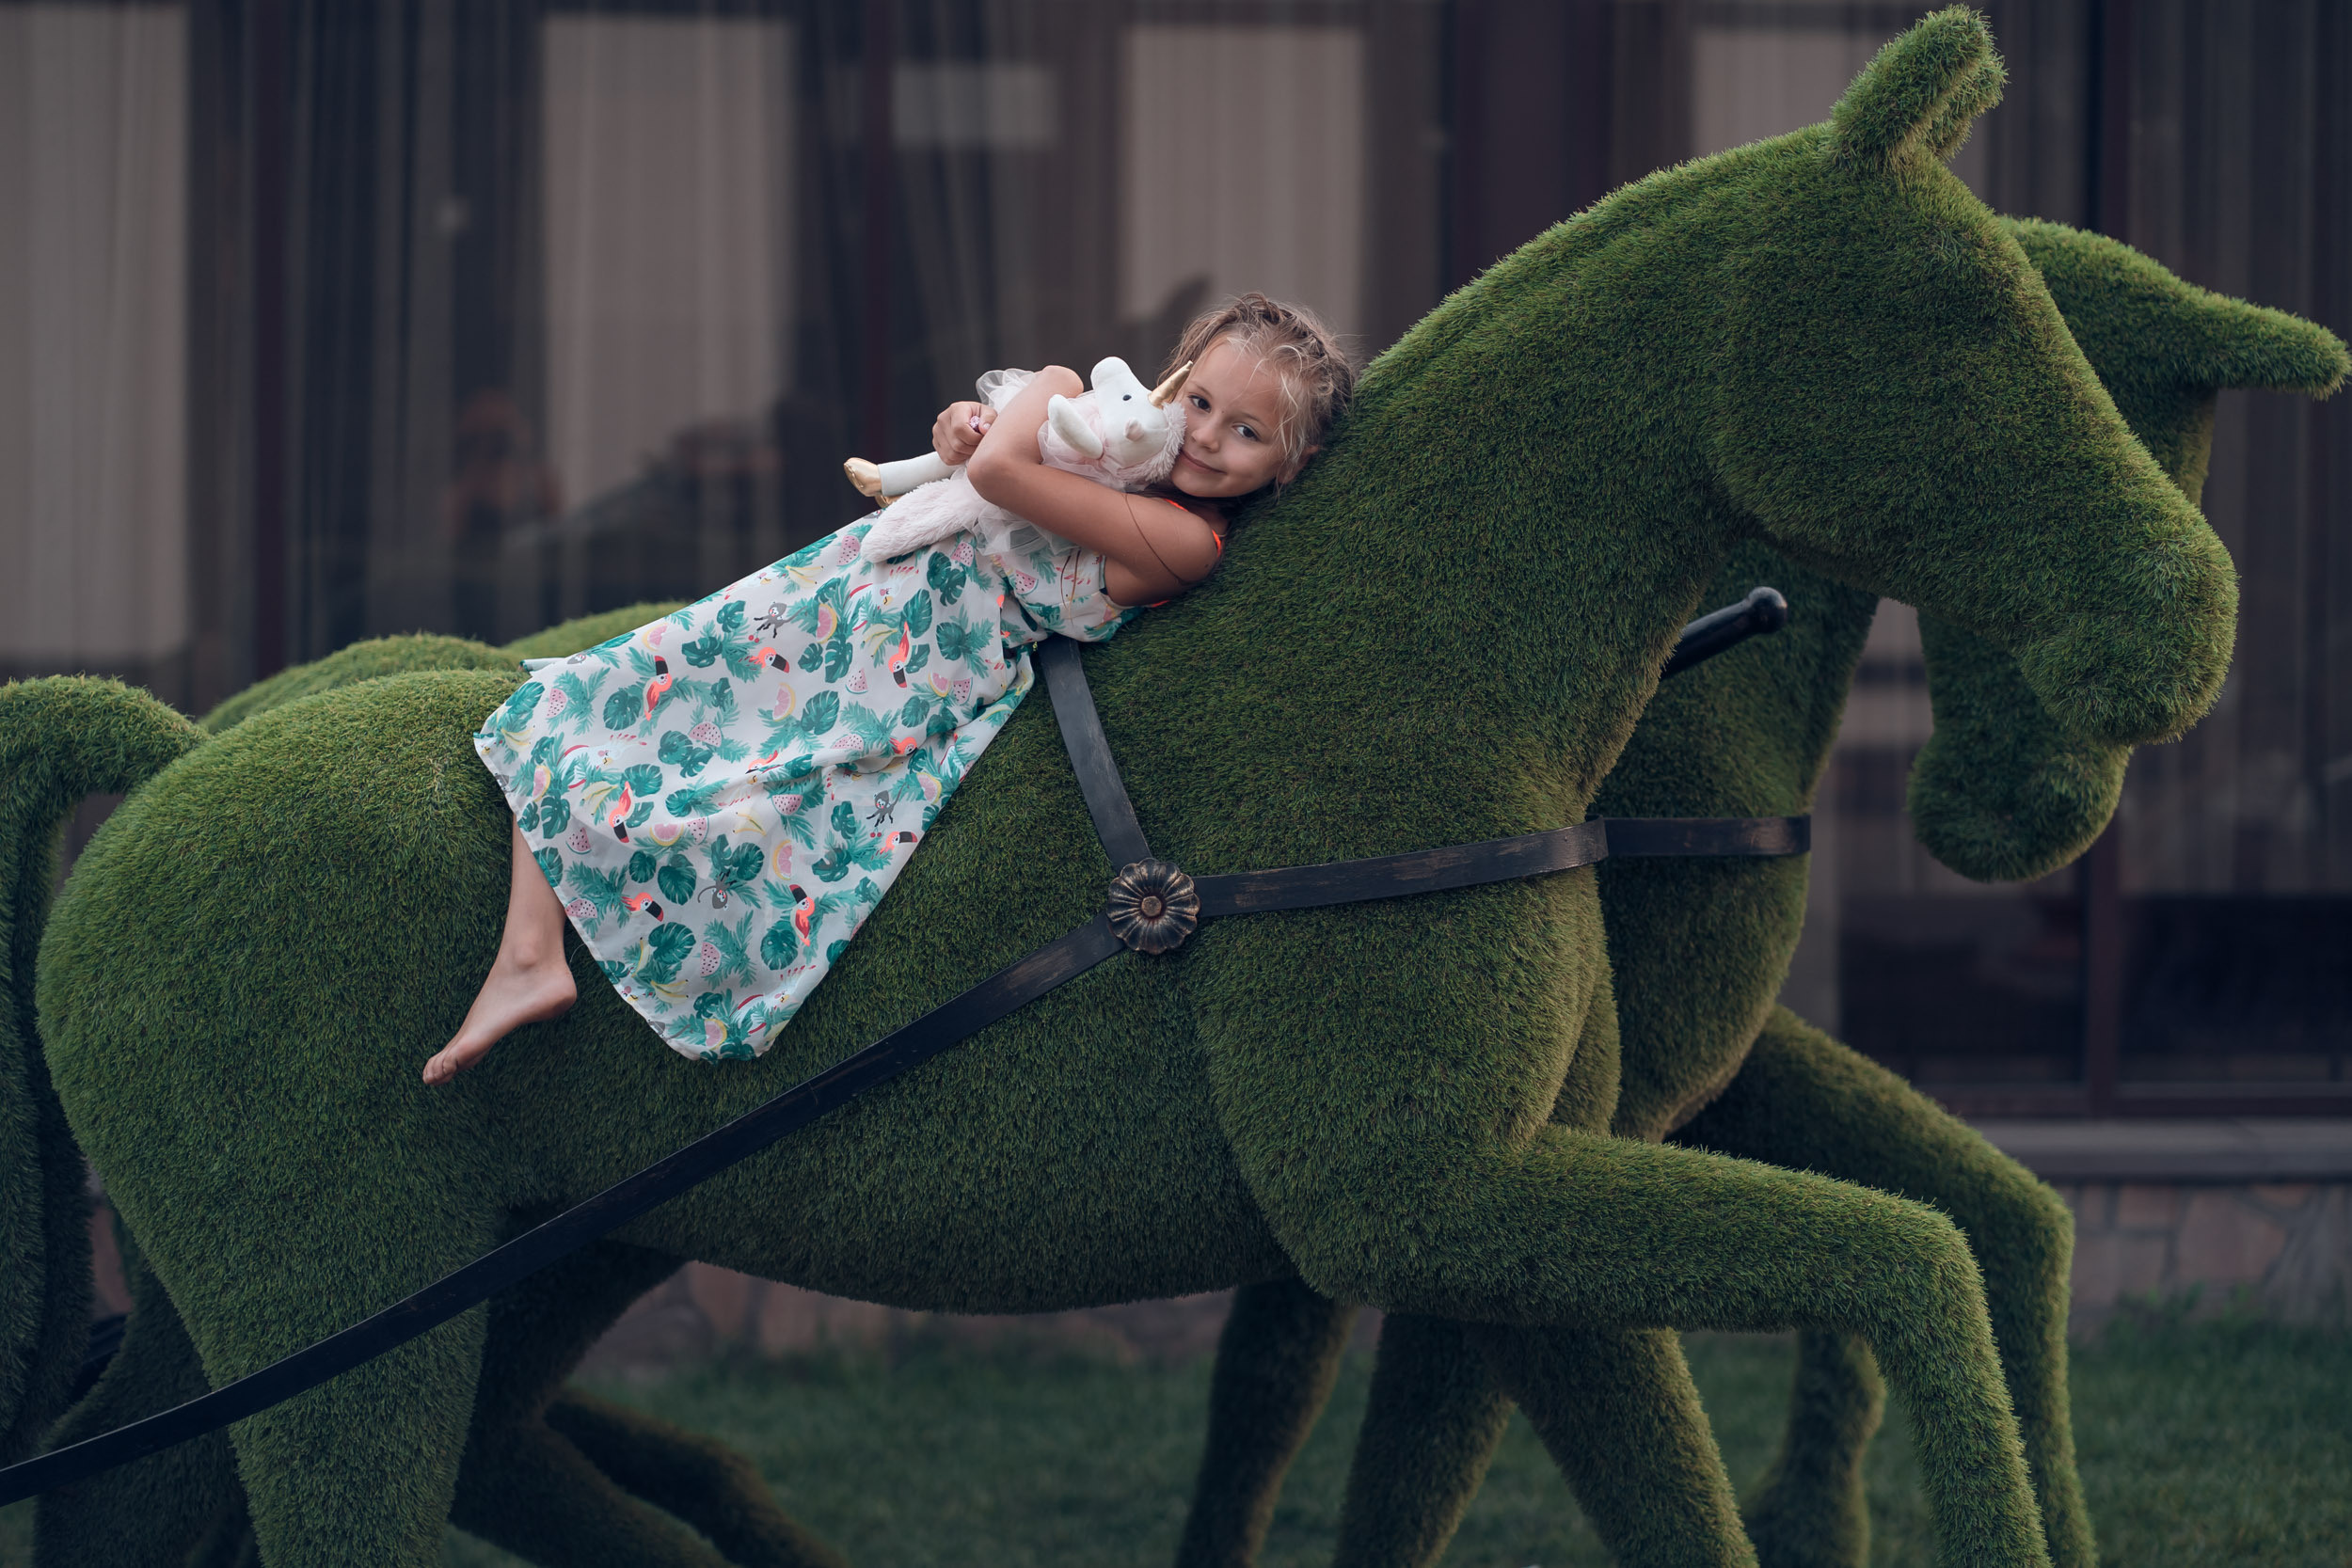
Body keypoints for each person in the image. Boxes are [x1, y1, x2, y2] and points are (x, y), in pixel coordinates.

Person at [425, 294, 1354, 1083]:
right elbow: (979, 460)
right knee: (598, 690)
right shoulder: (1130, 456)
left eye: (1247, 432)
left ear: (1291, 462)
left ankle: (540, 957)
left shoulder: (1187, 542)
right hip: (854, 593)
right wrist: (967, 423)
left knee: (718, 785)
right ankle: (530, 951)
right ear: (1175, 379)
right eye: (1197, 401)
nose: (1204, 436)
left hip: (911, 658)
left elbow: (1003, 477)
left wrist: (1051, 386)